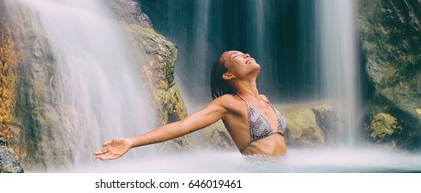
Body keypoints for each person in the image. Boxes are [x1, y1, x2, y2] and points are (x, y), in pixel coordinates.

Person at [93, 50, 287, 160]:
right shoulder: (229, 103)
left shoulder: (264, 99)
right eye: (236, 56)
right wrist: (131, 142)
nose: (245, 54)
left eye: (244, 53)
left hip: (283, 171)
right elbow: (182, 126)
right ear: (228, 75)